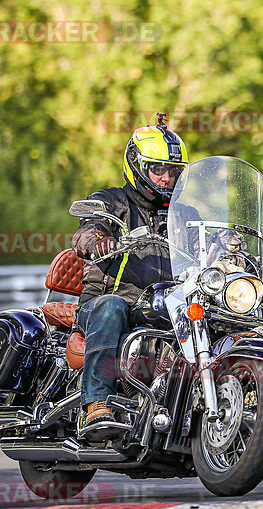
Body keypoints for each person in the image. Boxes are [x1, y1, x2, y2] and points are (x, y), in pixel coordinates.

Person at [71, 113, 187, 426]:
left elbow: (213, 242)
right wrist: (97, 237)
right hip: (107, 303)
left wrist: (233, 246)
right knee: (113, 307)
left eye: (173, 171)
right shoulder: (112, 201)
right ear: (137, 166)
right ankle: (96, 403)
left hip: (163, 305)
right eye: (158, 169)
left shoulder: (185, 213)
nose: (166, 178)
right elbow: (87, 229)